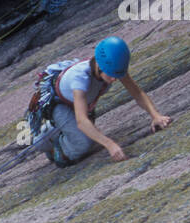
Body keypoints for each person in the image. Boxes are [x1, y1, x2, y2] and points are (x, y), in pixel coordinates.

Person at [29, 37, 172, 166]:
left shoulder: (112, 67)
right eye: (112, 75)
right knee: (83, 143)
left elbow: (137, 92)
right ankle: (48, 146)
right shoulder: (80, 79)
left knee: (83, 132)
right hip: (60, 105)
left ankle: (52, 135)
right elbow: (82, 121)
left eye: (117, 74)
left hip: (82, 103)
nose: (115, 79)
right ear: (99, 66)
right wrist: (110, 144)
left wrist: (156, 116)